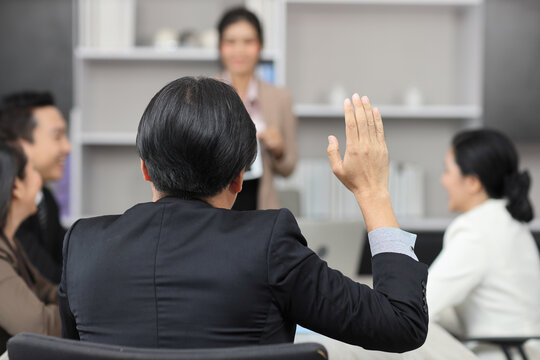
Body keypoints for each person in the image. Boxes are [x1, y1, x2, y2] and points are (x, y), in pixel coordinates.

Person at [58, 77, 428, 351]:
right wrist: (373, 192)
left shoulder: (83, 245)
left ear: (145, 169)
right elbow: (400, 324)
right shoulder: (267, 244)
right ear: (239, 178)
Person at [427, 129, 540, 342]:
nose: (443, 180)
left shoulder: (474, 230)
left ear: (472, 182)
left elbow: (420, 307)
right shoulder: (510, 221)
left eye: (447, 171)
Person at [217, 7, 297, 210]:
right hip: (215, 208)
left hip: (261, 208)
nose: (239, 50)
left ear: (260, 45)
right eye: (231, 42)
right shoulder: (204, 92)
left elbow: (288, 169)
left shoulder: (280, 98)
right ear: (220, 47)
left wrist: (279, 150)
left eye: (248, 41)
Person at [0, 91, 71, 284]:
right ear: (20, 145)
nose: (68, 147)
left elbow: (68, 255)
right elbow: (51, 280)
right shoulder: (8, 209)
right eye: (58, 136)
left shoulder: (45, 199)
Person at [0, 134, 61, 354]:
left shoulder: (11, 242)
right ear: (16, 186)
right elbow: (41, 327)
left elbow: (46, 290)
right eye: (34, 170)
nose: (40, 181)